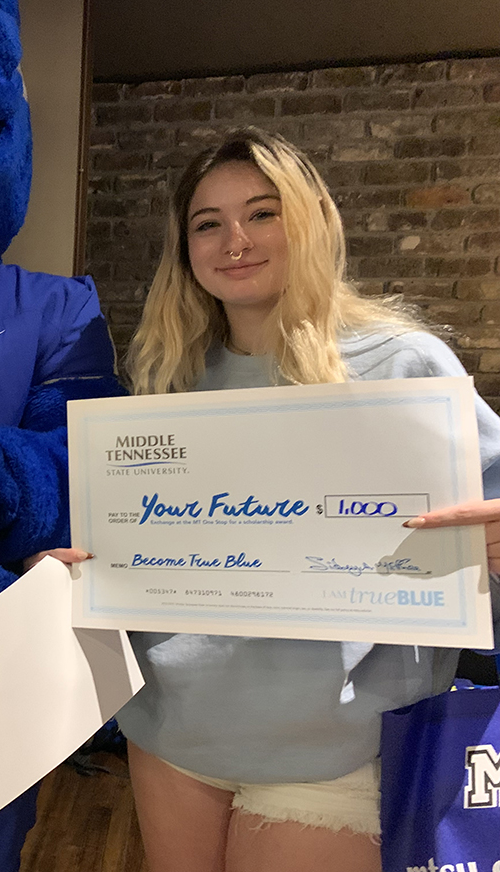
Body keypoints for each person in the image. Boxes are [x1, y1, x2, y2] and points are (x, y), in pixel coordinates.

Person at [97, 127, 500, 872]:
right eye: (207, 224)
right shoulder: (168, 376)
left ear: (312, 220)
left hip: (336, 748)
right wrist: (88, 560)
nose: (235, 241)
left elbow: (482, 551)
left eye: (262, 213)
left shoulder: (403, 364)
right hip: (173, 729)